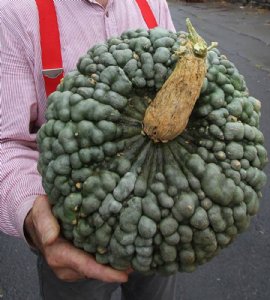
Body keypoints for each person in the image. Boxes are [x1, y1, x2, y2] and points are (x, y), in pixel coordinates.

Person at [0, 0, 177, 299]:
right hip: (74, 237)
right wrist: (32, 218)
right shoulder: (15, 12)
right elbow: (7, 142)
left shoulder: (153, 4)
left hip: (161, 227)